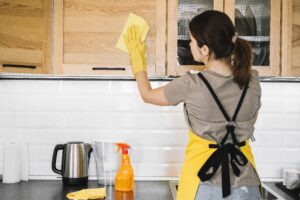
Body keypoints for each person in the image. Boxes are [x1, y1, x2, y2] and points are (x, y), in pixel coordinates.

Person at [123, 10, 261, 200]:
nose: (189, 44)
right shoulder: (252, 80)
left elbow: (147, 95)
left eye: (192, 40)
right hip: (247, 184)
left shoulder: (191, 84)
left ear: (205, 50)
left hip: (205, 183)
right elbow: (252, 120)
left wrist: (137, 59)